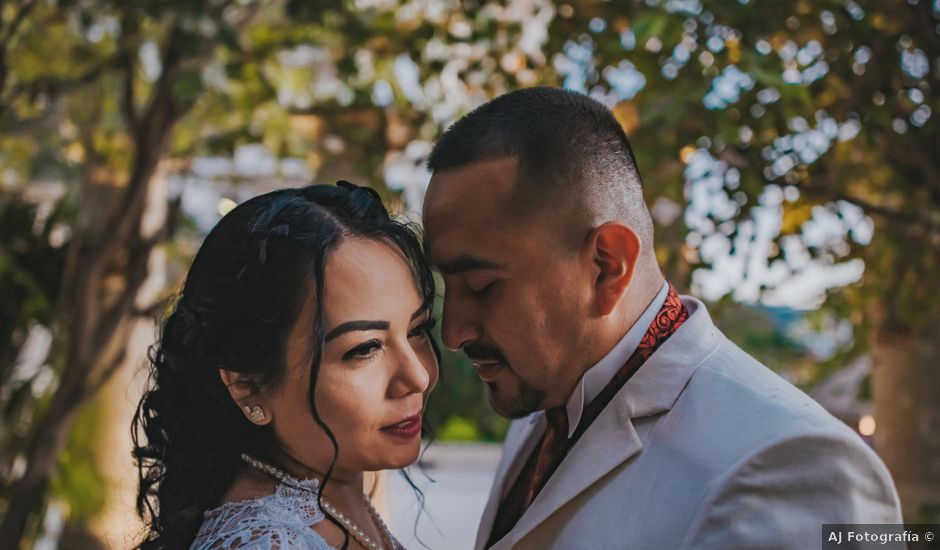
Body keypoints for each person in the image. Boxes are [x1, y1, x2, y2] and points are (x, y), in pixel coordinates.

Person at [421, 87, 902, 550]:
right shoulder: (542, 395)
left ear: (607, 265)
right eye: (449, 287)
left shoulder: (795, 468)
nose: (454, 333)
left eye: (483, 287)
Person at [132, 182, 439, 549]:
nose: (417, 376)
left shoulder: (333, 507)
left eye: (417, 329)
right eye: (365, 349)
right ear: (250, 386)